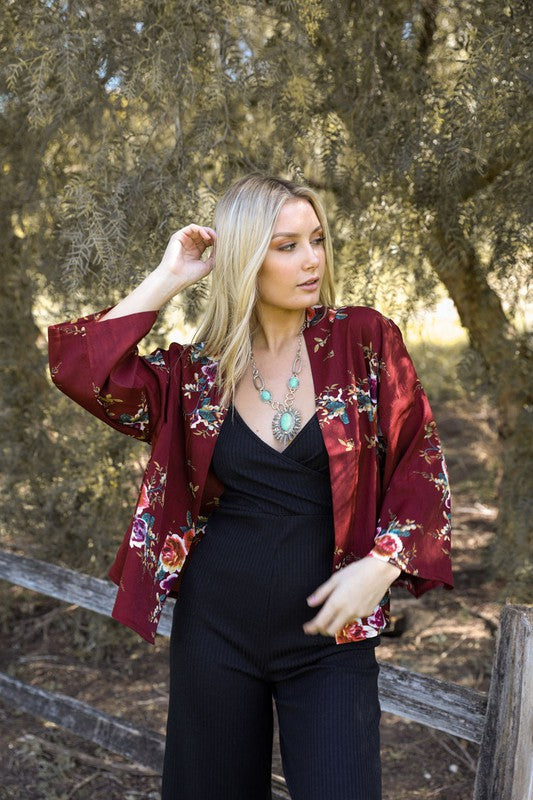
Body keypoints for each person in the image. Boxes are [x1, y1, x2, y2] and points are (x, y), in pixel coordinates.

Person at [48, 174, 453, 800]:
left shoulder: (364, 341)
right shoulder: (196, 373)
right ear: (244, 257)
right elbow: (81, 370)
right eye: (286, 245)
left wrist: (385, 562)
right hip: (216, 632)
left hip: (330, 636)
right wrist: (169, 276)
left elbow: (421, 461)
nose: (312, 259)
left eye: (316, 240)